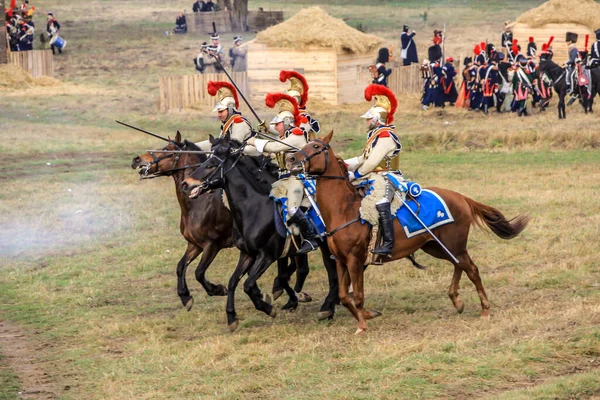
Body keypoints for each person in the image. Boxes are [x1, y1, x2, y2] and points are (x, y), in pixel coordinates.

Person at [246, 93, 318, 254]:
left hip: (297, 179)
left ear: (286, 123)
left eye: (277, 124)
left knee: (292, 209)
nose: (275, 127)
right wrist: (240, 149)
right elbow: (268, 149)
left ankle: (310, 239)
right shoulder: (285, 135)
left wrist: (253, 141)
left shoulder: (297, 136)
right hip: (282, 180)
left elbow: (274, 148)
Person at [345, 84, 402, 256]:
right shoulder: (374, 135)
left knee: (381, 203)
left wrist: (355, 174)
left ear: (377, 119)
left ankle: (388, 244)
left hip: (387, 176)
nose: (366, 121)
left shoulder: (385, 136)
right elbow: (362, 159)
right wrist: (341, 163)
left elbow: (372, 162)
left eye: (369, 119)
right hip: (372, 176)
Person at [195, 81, 254, 151]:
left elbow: (231, 148)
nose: (219, 115)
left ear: (230, 109)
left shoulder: (239, 123)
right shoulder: (228, 124)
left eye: (221, 111)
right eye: (218, 112)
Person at [279, 70, 321, 139]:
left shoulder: (303, 116)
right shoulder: (284, 113)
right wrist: (267, 129)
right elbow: (277, 128)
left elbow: (303, 130)